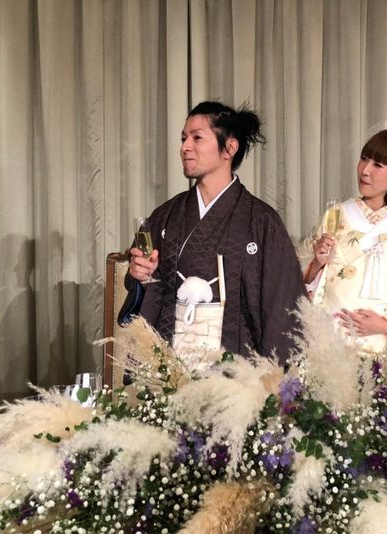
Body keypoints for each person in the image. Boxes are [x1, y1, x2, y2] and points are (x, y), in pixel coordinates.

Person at [122, 101, 306, 365]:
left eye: (197, 138)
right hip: (170, 364)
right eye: (183, 139)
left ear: (230, 147)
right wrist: (139, 274)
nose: (185, 147)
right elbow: (141, 285)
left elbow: (282, 304)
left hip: (235, 369)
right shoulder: (166, 215)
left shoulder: (261, 221)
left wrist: (272, 375)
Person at [297, 128, 387, 354]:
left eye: (378, 165)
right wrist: (316, 263)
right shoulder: (336, 215)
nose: (365, 170)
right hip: (331, 342)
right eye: (364, 159)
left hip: (382, 346)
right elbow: (297, 273)